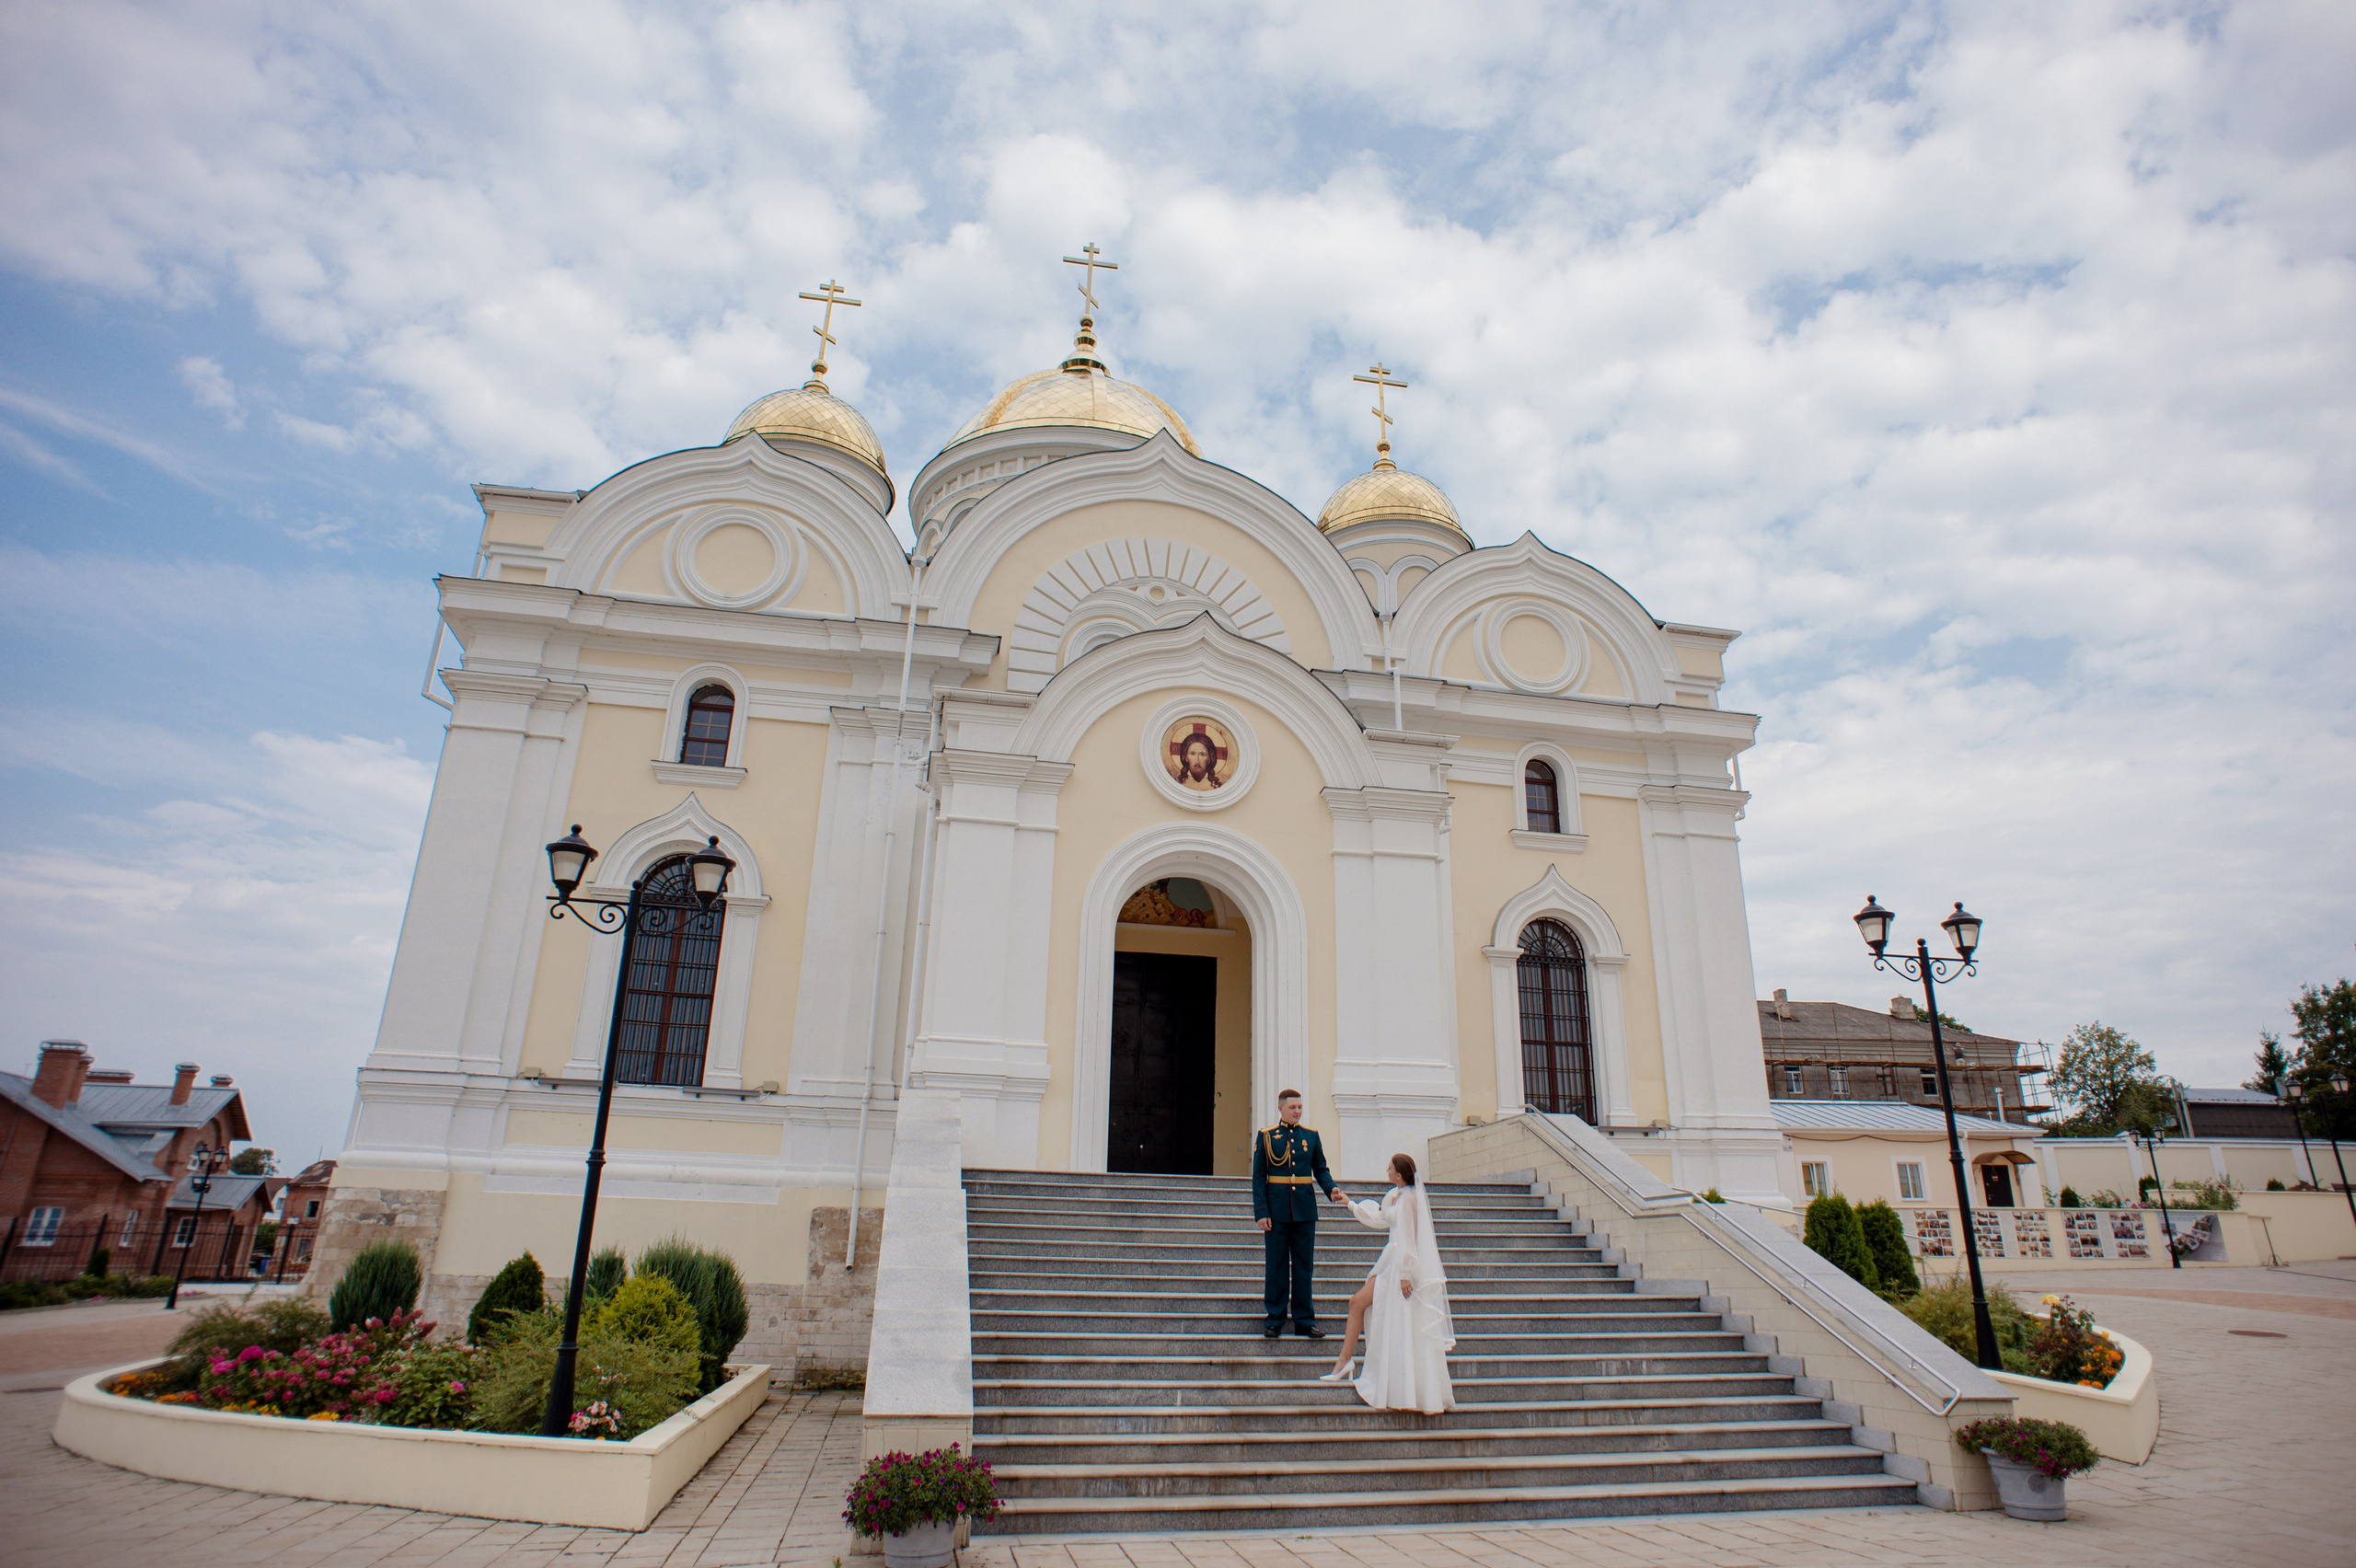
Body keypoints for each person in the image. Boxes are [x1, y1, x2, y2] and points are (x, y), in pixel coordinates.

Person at [1318, 1150, 1455, 1412]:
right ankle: (1344, 1361)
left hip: (1400, 1267)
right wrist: (1351, 1204)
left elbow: (1410, 1237)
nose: (1386, 1170)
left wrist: (1405, 1273)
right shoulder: (1395, 1196)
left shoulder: (1410, 1200)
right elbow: (1381, 1219)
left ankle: (1349, 1363)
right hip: (1391, 1263)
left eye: (1390, 1168)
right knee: (1360, 1305)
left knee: (1364, 1306)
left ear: (1400, 1174)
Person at [1251, 1089, 1340, 1339]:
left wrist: (1331, 1188)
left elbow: (1320, 1169)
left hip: (1304, 1210)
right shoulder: (1267, 1136)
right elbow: (1259, 1177)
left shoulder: (1311, 1136)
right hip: (1276, 1211)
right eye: (1293, 1107)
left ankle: (1304, 1320)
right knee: (1276, 1267)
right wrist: (1261, 1211)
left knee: (1303, 1268)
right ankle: (1275, 1319)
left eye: (1300, 1107)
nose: (1297, 1111)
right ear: (1281, 1108)